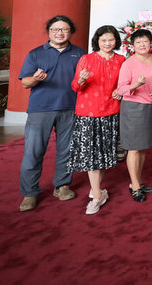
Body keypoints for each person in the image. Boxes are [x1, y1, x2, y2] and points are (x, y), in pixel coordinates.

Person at [17, 15, 87, 212]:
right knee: (33, 152)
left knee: (67, 151)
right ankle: (30, 193)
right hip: (41, 109)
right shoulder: (36, 54)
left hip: (71, 108)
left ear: (70, 32)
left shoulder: (80, 54)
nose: (59, 32)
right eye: (55, 29)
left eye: (64, 29)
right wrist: (36, 79)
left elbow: (84, 82)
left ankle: (62, 186)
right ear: (49, 32)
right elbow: (25, 83)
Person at [67, 25, 124, 215]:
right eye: (103, 40)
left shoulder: (121, 60)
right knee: (92, 155)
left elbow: (124, 85)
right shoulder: (86, 59)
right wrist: (82, 80)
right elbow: (75, 86)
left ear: (116, 41)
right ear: (97, 41)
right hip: (88, 113)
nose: (107, 43)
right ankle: (98, 196)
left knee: (104, 153)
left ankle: (97, 188)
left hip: (111, 111)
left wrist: (121, 92)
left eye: (111, 40)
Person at [116, 29, 152, 202]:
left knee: (142, 148)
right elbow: (121, 89)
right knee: (134, 148)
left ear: (151, 43)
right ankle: (134, 185)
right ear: (132, 45)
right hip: (133, 108)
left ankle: (139, 181)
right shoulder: (129, 63)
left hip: (150, 107)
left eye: (145, 41)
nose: (142, 45)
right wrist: (136, 84)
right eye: (138, 42)